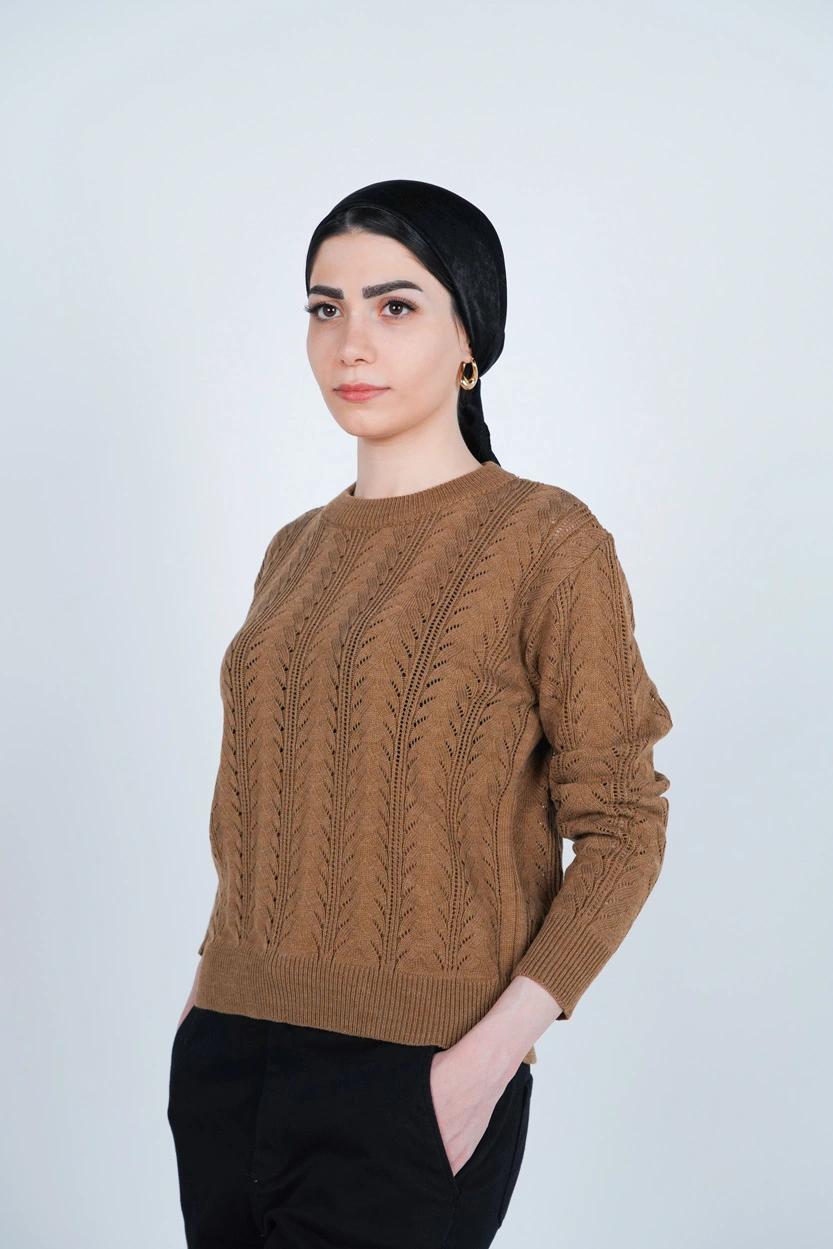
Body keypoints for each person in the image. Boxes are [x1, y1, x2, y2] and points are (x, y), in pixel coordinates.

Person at [166, 178, 674, 1249]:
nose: (350, 341)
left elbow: (624, 825)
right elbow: (261, 809)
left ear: (468, 338)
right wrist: (204, 1005)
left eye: (394, 306)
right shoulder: (295, 550)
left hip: (416, 1077)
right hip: (229, 1060)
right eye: (325, 307)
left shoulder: (545, 541)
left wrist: (486, 1059)